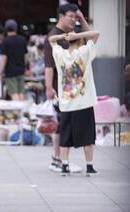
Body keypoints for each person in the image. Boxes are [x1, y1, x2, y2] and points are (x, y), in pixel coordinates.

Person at [44, 3, 89, 172]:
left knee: (63, 125)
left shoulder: (70, 34)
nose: (73, 20)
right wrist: (49, 87)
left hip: (71, 89)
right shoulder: (53, 36)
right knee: (62, 125)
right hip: (59, 89)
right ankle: (57, 160)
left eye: (75, 17)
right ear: (61, 16)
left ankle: (60, 159)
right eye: (71, 17)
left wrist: (82, 18)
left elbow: (90, 37)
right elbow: (49, 66)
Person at [49, 30, 100, 176]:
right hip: (84, 102)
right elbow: (96, 34)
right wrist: (78, 35)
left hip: (66, 104)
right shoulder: (84, 52)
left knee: (65, 136)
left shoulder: (60, 54)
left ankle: (65, 166)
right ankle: (89, 166)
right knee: (88, 136)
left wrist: (61, 37)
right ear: (79, 41)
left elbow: (51, 40)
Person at [0, 19, 28, 100]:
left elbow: (4, 58)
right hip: (21, 70)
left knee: (14, 93)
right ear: (16, 28)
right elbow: (25, 56)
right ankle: (23, 111)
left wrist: (0, 72)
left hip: (10, 71)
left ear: (6, 29)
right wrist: (24, 67)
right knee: (21, 92)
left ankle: (18, 112)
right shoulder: (22, 40)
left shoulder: (4, 41)